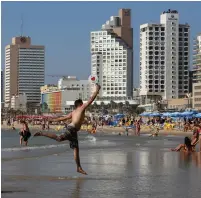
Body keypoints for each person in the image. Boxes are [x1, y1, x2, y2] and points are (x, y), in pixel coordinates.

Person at [33, 84, 101, 175]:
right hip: (72, 129)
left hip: (73, 130)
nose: (84, 105)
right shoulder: (81, 108)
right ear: (80, 104)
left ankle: (79, 167)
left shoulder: (73, 112)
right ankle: (42, 133)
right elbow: (91, 99)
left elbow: (63, 118)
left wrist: (53, 120)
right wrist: (97, 89)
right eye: (82, 104)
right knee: (59, 139)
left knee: (76, 148)